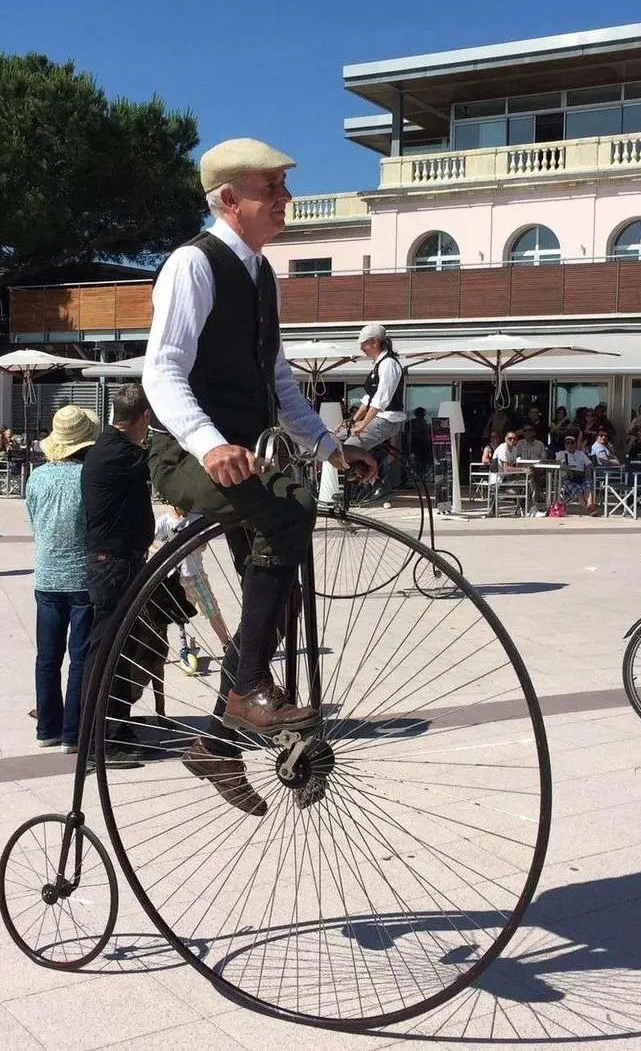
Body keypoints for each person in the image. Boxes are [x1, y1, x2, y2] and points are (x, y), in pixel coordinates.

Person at [142, 138, 376, 815]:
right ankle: (246, 689)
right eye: (269, 187)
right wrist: (210, 443)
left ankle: (217, 740)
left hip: (241, 455)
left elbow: (279, 383)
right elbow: (161, 369)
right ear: (226, 199)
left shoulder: (260, 275)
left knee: (281, 598)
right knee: (289, 511)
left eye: (282, 186)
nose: (285, 199)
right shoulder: (193, 265)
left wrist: (332, 446)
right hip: (186, 455)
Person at [81, 385, 159, 768]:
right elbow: (160, 463)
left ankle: (116, 726)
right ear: (144, 416)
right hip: (112, 565)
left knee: (122, 649)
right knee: (107, 650)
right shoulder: (120, 452)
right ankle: (99, 742)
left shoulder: (113, 446)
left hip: (119, 561)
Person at [26, 405, 98, 754]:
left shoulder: (37, 477)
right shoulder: (89, 477)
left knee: (47, 656)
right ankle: (73, 733)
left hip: (47, 575)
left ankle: (47, 728)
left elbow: (33, 520)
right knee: (80, 657)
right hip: (82, 578)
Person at [320, 322, 405, 504]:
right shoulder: (377, 365)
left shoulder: (389, 364)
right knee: (333, 439)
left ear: (375, 342)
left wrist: (363, 425)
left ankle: (378, 484)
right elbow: (367, 399)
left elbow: (381, 399)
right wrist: (349, 422)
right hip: (377, 417)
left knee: (349, 446)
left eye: (364, 344)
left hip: (387, 420)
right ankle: (357, 482)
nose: (362, 348)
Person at [154, 505, 233, 673]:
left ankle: (227, 645)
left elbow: (203, 546)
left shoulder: (195, 518)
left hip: (196, 576)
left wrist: (197, 544)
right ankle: (182, 647)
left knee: (212, 609)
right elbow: (146, 542)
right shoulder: (164, 522)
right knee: (178, 616)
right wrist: (162, 553)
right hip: (176, 579)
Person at [556, 433, 596, 513]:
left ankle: (589, 504)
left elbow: (590, 464)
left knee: (587, 483)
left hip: (581, 476)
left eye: (572, 442)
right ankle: (589, 509)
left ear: (575, 444)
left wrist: (588, 468)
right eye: (567, 443)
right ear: (565, 444)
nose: (569, 445)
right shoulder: (560, 454)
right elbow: (557, 466)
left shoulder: (580, 454)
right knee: (578, 490)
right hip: (567, 479)